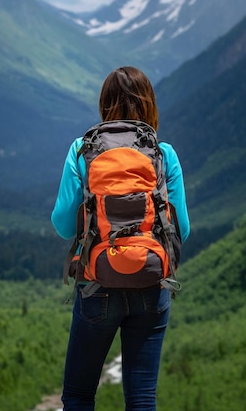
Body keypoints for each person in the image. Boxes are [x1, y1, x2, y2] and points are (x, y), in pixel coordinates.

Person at [51, 66, 190, 411]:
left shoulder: (82, 150)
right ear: (150, 105)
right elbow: (181, 229)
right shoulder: (164, 154)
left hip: (97, 284)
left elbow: (63, 226)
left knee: (80, 396)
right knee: (142, 399)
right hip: (151, 283)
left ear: (104, 104)